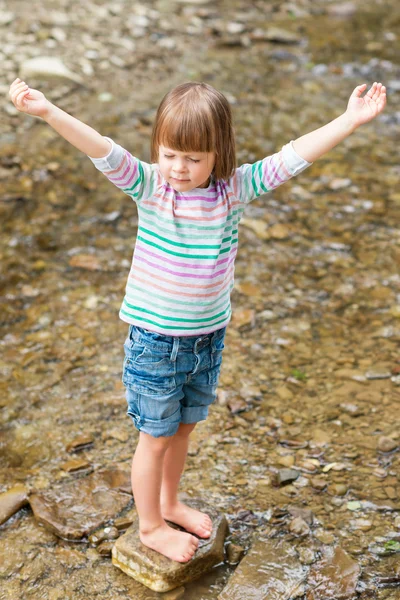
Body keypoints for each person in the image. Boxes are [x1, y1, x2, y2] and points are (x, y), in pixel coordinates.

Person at [9, 78, 386, 562]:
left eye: (193, 158)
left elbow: (293, 157)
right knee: (155, 435)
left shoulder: (233, 190)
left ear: (218, 155)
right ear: (157, 151)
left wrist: (350, 120)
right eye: (169, 154)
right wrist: (48, 112)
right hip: (155, 341)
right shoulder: (148, 185)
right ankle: (149, 527)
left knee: (183, 429)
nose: (179, 168)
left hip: (207, 339)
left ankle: (169, 502)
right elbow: (100, 147)